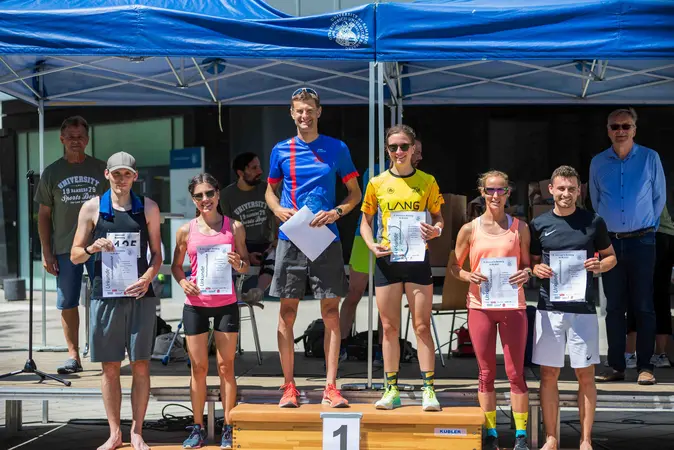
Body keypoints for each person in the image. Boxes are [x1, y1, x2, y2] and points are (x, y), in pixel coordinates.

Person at [265, 87, 361, 408]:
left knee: (330, 312)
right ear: (291, 114)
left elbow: (354, 194)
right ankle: (289, 386)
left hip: (325, 238)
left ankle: (331, 386)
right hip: (291, 237)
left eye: (309, 110)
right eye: (298, 111)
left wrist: (337, 212)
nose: (304, 116)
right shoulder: (281, 150)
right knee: (287, 312)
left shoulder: (337, 148)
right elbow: (269, 192)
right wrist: (277, 209)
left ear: (319, 112)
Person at [70, 152, 162, 450]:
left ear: (135, 177)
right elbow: (74, 254)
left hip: (139, 295)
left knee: (141, 365)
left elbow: (158, 255)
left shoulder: (148, 207)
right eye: (116, 174)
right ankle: (114, 432)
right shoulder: (92, 207)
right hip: (104, 296)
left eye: (127, 174)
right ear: (107, 175)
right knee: (110, 366)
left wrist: (149, 276)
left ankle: (136, 431)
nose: (122, 179)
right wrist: (92, 248)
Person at [530, 166, 617, 450]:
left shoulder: (593, 221)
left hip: (583, 310)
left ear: (579, 191)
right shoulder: (539, 223)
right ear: (550, 190)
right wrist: (536, 268)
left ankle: (586, 439)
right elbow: (529, 262)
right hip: (549, 308)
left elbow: (611, 258)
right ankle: (551, 438)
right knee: (548, 374)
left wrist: (599, 266)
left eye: (571, 189)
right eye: (561, 188)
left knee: (585, 374)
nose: (566, 194)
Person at [360, 125, 444, 411]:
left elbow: (439, 218)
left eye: (404, 147)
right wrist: (371, 246)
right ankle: (391, 389)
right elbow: (365, 222)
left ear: (413, 149)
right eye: (393, 147)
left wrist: (437, 231)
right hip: (388, 260)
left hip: (418, 259)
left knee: (422, 326)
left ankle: (429, 389)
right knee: (388, 328)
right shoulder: (376, 183)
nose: (399, 152)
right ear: (387, 150)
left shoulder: (427, 181)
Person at [451, 170, 532, 450]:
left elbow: (527, 265)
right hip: (480, 306)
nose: (495, 195)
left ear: (509, 192)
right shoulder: (469, 229)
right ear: (482, 192)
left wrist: (527, 273)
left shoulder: (520, 228)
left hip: (512, 306)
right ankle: (492, 433)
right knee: (485, 373)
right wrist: (467, 276)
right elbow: (454, 266)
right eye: (490, 190)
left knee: (515, 372)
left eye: (501, 190)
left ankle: (521, 435)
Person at [172, 173, 250, 449]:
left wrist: (238, 263)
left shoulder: (235, 227)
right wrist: (183, 282)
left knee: (226, 367)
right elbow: (176, 266)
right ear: (193, 199)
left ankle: (228, 426)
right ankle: (197, 427)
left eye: (209, 193)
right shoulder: (186, 230)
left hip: (226, 303)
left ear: (218, 194)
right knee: (199, 367)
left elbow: (246, 265)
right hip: (196, 306)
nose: (205, 199)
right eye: (199, 195)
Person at [590, 107, 665, 385]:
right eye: (614, 126)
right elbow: (596, 203)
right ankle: (617, 365)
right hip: (611, 243)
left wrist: (647, 228)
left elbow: (659, 199)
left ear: (634, 129)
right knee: (613, 307)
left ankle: (646, 366)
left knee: (644, 305)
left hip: (643, 240)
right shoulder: (598, 162)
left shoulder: (650, 158)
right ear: (608, 130)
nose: (620, 131)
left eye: (625, 126)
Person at [339, 140, 425, 364]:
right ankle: (341, 343)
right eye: (415, 151)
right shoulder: (375, 172)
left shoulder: (422, 179)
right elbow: (371, 206)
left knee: (386, 298)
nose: (418, 156)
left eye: (415, 151)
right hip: (366, 238)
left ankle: (380, 346)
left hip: (396, 240)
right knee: (354, 292)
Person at [34, 116, 107, 374]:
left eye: (80, 136)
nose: (76, 141)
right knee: (67, 301)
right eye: (71, 136)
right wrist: (46, 251)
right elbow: (43, 215)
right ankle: (73, 355)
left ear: (87, 140)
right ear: (62, 139)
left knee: (104, 297)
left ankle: (104, 351)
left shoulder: (102, 169)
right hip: (65, 248)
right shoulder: (52, 172)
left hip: (100, 247)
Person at [220, 152, 276, 304]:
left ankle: (257, 291)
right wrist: (244, 253)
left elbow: (278, 216)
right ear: (240, 172)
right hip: (240, 245)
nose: (260, 171)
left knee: (275, 255)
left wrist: (275, 241)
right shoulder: (226, 195)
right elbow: (225, 229)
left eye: (259, 167)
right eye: (254, 168)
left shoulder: (267, 189)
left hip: (266, 244)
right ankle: (226, 299)